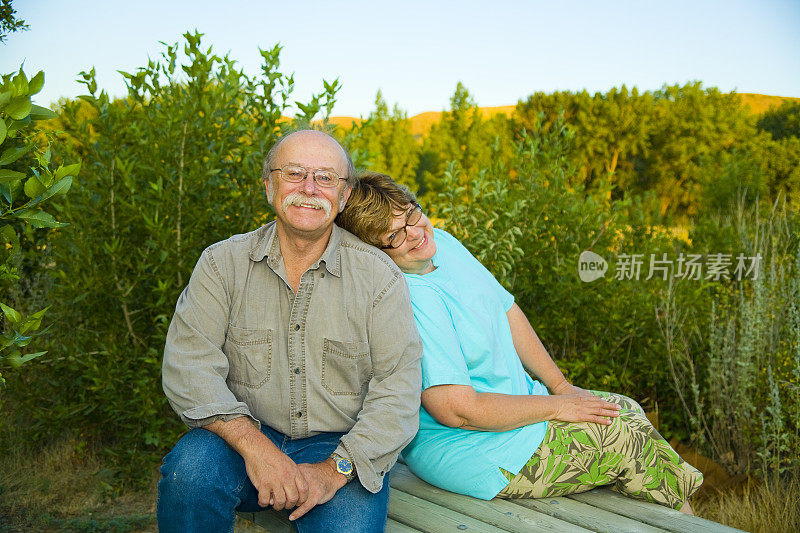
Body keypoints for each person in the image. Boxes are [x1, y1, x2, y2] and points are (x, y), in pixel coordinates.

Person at [336, 171, 703, 512]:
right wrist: (558, 407)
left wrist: (560, 387)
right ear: (375, 252)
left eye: (411, 214)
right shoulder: (410, 298)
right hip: (477, 449)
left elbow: (507, 309)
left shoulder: (440, 242)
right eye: (394, 235)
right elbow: (456, 410)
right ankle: (690, 523)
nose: (414, 233)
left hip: (520, 414)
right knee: (627, 438)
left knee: (625, 410)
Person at [157, 132, 423, 533]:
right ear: (269, 185)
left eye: (326, 178)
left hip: (341, 448)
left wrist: (334, 470)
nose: (309, 188)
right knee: (189, 475)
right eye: (295, 173)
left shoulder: (379, 278)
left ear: (345, 195)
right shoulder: (221, 264)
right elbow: (189, 368)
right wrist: (257, 449)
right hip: (241, 436)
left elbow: (398, 392)